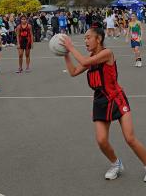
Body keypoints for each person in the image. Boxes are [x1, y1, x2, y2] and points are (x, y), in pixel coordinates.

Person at [61, 26, 146, 181]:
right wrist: (65, 54)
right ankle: (116, 164)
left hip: (116, 98)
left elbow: (85, 61)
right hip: (100, 101)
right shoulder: (91, 57)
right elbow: (73, 72)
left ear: (98, 39)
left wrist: (71, 47)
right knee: (101, 140)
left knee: (130, 138)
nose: (85, 40)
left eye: (88, 37)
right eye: (85, 38)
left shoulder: (106, 53)